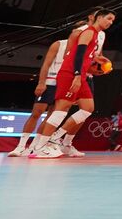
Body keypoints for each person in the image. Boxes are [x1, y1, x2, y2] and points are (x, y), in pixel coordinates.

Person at [29, 9, 115, 158]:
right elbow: (78, 55)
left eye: (113, 20)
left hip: (81, 75)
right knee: (61, 109)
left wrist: (97, 59)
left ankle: (56, 138)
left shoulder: (97, 35)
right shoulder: (88, 32)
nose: (110, 22)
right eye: (108, 19)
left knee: (88, 109)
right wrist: (76, 75)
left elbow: (87, 54)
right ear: (99, 17)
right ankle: (40, 147)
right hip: (71, 74)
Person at [8, 34, 70, 156]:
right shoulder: (59, 44)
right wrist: (41, 83)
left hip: (64, 85)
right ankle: (20, 147)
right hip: (50, 82)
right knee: (36, 113)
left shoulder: (83, 48)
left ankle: (34, 147)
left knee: (51, 118)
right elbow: (46, 64)